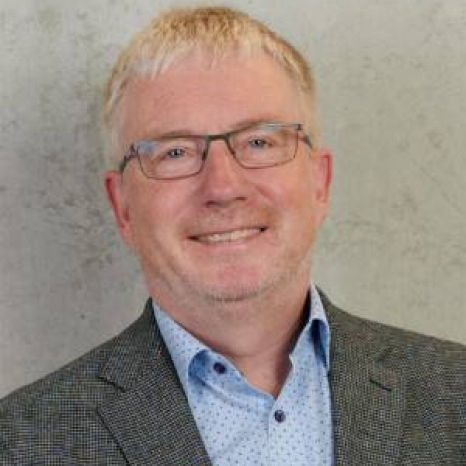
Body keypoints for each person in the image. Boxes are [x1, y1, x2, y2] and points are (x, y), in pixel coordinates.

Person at [1, 6, 465, 465]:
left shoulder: (454, 393)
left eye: (260, 141)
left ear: (319, 183)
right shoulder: (21, 442)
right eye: (176, 152)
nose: (223, 187)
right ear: (122, 206)